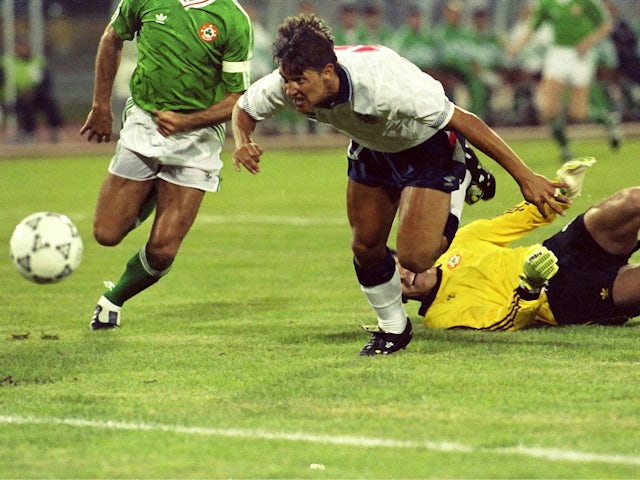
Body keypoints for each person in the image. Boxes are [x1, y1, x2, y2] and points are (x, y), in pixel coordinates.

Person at [231, 14, 568, 355]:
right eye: (287, 81)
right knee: (365, 246)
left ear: (328, 72)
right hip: (371, 148)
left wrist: (525, 177)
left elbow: (463, 119)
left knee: (416, 257)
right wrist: (242, 141)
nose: (291, 90)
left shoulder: (385, 82)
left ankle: (463, 175)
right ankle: (394, 330)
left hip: (428, 146)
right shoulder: (286, 82)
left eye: (299, 81)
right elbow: (244, 108)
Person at [80, 0, 253, 330]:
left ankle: (113, 300)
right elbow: (111, 38)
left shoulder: (232, 18)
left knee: (162, 250)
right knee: (106, 233)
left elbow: (237, 99)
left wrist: (187, 122)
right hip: (145, 123)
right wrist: (101, 105)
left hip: (197, 138)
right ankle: (158, 186)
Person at [400, 158, 640, 331]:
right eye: (397, 283)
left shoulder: (459, 242)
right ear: (400, 298)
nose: (404, 275)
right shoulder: (441, 317)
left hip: (558, 251)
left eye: (398, 266)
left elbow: (517, 220)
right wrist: (530, 286)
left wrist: (559, 189)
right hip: (560, 299)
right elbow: (503, 320)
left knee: (632, 200)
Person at [508, 0, 613, 161]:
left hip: (581, 55)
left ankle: (608, 119)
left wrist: (588, 42)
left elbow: (606, 26)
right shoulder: (546, 4)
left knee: (577, 114)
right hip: (558, 53)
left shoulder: (588, 2)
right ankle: (565, 148)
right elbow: (533, 26)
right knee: (548, 108)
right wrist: (517, 46)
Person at [1, 36, 63, 143]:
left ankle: (55, 131)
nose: (21, 49)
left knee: (50, 101)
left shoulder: (37, 61)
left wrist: (35, 91)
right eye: (19, 47)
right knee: (26, 104)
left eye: (24, 46)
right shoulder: (7, 63)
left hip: (36, 95)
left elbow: (46, 81)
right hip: (15, 97)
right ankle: (29, 133)